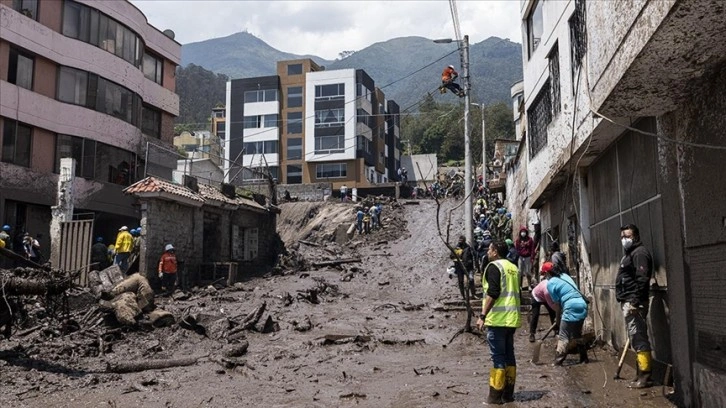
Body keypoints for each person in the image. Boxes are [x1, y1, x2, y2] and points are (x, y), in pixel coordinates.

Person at [476, 241, 521, 404]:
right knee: (510, 355)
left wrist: (482, 316)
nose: (487, 252)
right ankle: (508, 395)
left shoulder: (494, 267)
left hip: (498, 320)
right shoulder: (513, 268)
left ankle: (495, 397)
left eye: (489, 249)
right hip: (512, 319)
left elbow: (493, 293)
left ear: (495, 252)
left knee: (498, 358)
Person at [617, 224, 654, 388]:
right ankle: (640, 374)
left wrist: (634, 302)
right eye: (622, 237)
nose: (624, 239)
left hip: (634, 303)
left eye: (628, 236)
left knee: (639, 338)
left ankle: (645, 377)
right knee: (635, 337)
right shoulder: (629, 254)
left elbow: (642, 278)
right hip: (628, 302)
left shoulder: (639, 253)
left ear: (636, 237)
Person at [546, 262, 589, 366]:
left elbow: (557, 305)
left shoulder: (551, 283)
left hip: (570, 306)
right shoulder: (565, 276)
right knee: (577, 334)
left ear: (548, 273)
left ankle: (558, 361)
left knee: (563, 336)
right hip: (582, 304)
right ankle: (584, 358)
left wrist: (557, 320)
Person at [528, 262, 558, 342]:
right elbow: (552, 304)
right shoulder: (546, 288)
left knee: (552, 313)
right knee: (535, 314)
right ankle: (532, 333)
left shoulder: (552, 282)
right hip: (536, 296)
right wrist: (559, 310)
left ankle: (556, 330)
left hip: (544, 295)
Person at [451, 235, 477, 301]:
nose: (460, 242)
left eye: (461, 241)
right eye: (459, 241)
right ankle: (463, 296)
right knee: (460, 281)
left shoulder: (468, 247)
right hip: (459, 267)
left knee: (471, 279)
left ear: (464, 241)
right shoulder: (456, 247)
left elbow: (474, 255)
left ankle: (473, 294)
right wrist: (457, 254)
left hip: (469, 266)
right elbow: (451, 256)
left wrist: (474, 265)